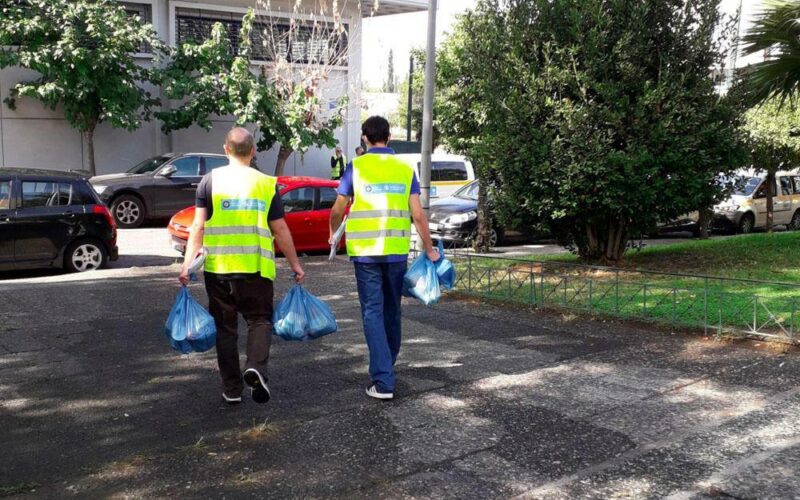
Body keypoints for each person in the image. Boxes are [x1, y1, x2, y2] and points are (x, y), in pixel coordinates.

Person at [179, 127, 305, 406]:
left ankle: (232, 389)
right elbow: (280, 228)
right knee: (259, 321)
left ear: (226, 150)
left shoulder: (209, 181)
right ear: (253, 151)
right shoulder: (265, 183)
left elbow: (198, 226)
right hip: (256, 269)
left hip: (219, 270)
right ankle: (256, 368)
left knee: (226, 330)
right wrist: (295, 264)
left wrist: (187, 266)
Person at [329, 116, 439, 401]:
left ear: (364, 138)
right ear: (389, 137)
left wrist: (333, 234)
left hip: (366, 254)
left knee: (372, 312)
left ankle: (383, 380)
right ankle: (386, 368)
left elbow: (338, 208)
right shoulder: (404, 170)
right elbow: (417, 214)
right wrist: (429, 248)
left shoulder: (356, 168)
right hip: (395, 252)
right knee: (392, 311)